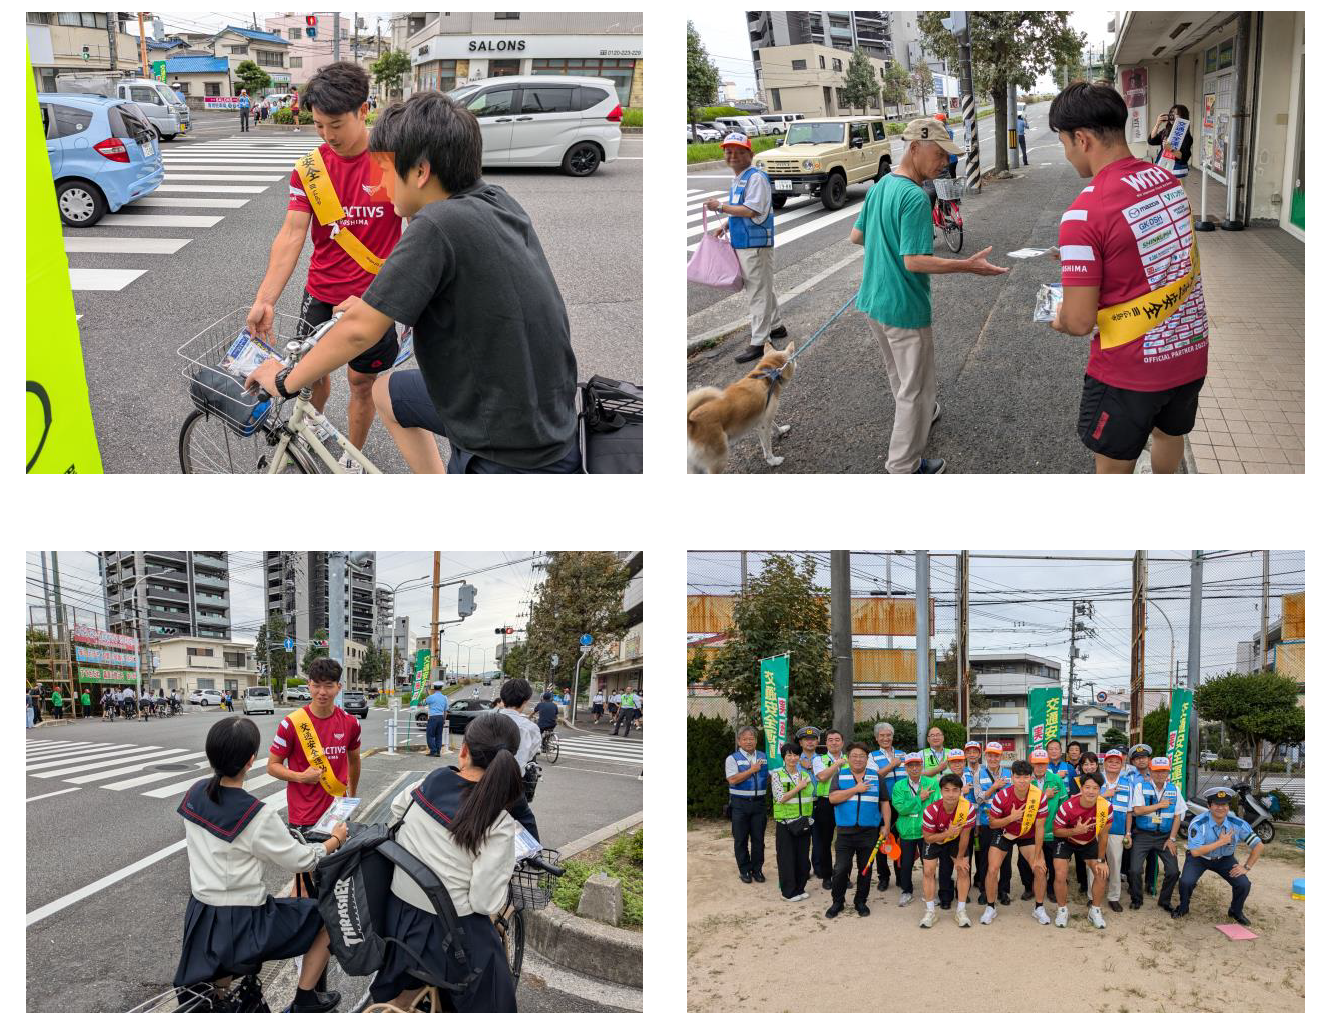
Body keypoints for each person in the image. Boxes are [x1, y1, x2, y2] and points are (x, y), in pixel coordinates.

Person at [247, 90, 582, 474]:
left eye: (387, 171)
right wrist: (375, 306)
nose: (383, 184)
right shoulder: (496, 200)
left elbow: (358, 333)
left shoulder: (437, 225)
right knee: (387, 392)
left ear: (420, 172)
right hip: (549, 407)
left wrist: (285, 380)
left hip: (504, 442)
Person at [244, 63, 404, 472]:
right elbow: (292, 234)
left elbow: (421, 231)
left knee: (361, 383)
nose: (328, 136)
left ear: (362, 109)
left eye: (336, 124)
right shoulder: (309, 170)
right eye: (318, 125)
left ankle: (352, 458)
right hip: (320, 292)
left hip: (374, 301)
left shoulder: (391, 161)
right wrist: (265, 300)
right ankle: (308, 439)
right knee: (309, 378)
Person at [1047, 81, 1209, 474]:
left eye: (1064, 143)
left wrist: (1059, 318)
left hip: (1129, 372)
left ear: (1081, 139)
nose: (1067, 154)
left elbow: (1081, 321)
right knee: (1170, 436)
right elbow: (1156, 250)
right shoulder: (1167, 181)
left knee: (1115, 469)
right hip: (1189, 353)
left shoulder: (1084, 214)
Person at [850, 117, 1009, 475]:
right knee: (916, 387)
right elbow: (915, 261)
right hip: (904, 306)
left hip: (874, 301)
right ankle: (904, 465)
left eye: (947, 157)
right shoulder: (914, 197)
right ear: (914, 148)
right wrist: (968, 266)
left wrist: (885, 245)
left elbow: (857, 237)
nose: (944, 163)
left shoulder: (880, 186)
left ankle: (924, 413)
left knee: (901, 376)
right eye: (939, 155)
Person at [174, 716, 345, 1012]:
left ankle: (221, 998)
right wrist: (335, 840)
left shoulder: (196, 792)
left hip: (201, 914)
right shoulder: (256, 814)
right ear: (251, 760)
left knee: (215, 989)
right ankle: (305, 999)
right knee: (329, 920)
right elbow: (300, 860)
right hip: (244, 922)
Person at [370, 712, 536, 1012]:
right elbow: (485, 902)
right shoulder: (498, 822)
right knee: (495, 1003)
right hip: (452, 939)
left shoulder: (426, 783)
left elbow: (396, 811)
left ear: (463, 751)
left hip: (398, 919)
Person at [265, 657, 361, 897]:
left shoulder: (350, 723)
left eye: (328, 685)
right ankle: (299, 929)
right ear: (308, 685)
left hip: (335, 814)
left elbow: (355, 760)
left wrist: (352, 797)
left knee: (335, 881)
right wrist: (300, 777)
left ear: (339, 687)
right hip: (303, 815)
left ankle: (324, 929)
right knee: (304, 882)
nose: (322, 692)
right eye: (316, 685)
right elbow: (272, 767)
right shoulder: (292, 724)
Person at [704, 132, 787, 364]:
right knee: (762, 287)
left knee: (757, 292)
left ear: (750, 154)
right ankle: (776, 326)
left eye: (739, 151)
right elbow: (744, 208)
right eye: (728, 151)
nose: (733, 156)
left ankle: (760, 341)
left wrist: (720, 207)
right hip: (745, 241)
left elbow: (752, 210)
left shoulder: (756, 177)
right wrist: (728, 225)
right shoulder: (741, 177)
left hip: (755, 243)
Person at [1174, 785, 1261, 925]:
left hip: (1224, 859)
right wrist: (1220, 842)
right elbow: (1195, 852)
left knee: (1244, 884)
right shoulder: (1199, 823)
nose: (1221, 808)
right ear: (1209, 806)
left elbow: (1258, 845)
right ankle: (1183, 907)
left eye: (1224, 804)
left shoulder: (1237, 823)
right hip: (1199, 859)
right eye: (1217, 804)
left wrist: (1246, 867)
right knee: (1186, 882)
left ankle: (1235, 911)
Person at [981, 759, 1049, 925]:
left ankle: (1039, 908)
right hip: (1005, 832)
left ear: (1031, 777)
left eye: (1026, 777)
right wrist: (1012, 817)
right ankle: (990, 907)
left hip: (1027, 834)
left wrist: (1038, 855)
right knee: (992, 869)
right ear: (1012, 777)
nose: (1022, 781)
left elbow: (1040, 827)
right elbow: (993, 823)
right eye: (1018, 777)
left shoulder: (1038, 796)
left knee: (1040, 869)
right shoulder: (1001, 796)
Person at [825, 742, 890, 919]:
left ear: (867, 759)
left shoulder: (877, 777)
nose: (858, 759)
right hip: (845, 831)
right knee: (840, 868)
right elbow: (832, 798)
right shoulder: (840, 776)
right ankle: (837, 902)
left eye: (862, 756)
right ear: (848, 758)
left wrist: (886, 825)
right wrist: (856, 789)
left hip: (869, 831)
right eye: (854, 755)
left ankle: (860, 901)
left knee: (866, 868)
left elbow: (884, 802)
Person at [1051, 771, 1111, 928]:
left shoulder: (1105, 807)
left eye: (1095, 788)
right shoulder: (1068, 806)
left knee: (1101, 872)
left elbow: (1104, 836)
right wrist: (1075, 831)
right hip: (1066, 839)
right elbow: (1056, 831)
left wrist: (1102, 860)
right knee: (1060, 873)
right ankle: (1062, 910)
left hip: (1089, 842)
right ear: (1081, 788)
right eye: (1087, 787)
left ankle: (1095, 911)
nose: (1091, 791)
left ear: (1100, 790)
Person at [1126, 755, 1184, 913]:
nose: (1160, 775)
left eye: (1163, 771)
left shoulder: (1174, 789)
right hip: (1143, 835)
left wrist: (1172, 839)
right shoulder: (1140, 787)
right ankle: (1136, 899)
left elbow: (1178, 815)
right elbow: (1137, 810)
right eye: (1157, 771)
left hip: (1164, 837)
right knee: (1135, 870)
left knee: (1173, 871)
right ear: (1150, 771)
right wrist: (1159, 805)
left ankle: (1164, 901)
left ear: (1168, 772)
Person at [920, 772, 976, 927]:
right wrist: (947, 833)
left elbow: (965, 836)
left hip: (956, 840)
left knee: (963, 869)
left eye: (955, 790)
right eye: (947, 790)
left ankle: (961, 911)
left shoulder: (968, 808)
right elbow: (928, 838)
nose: (951, 794)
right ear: (941, 791)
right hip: (935, 839)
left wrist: (959, 858)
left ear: (960, 791)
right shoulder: (930, 811)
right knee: (928, 871)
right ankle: (930, 912)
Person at [890, 752, 938, 907]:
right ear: (906, 768)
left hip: (926, 831)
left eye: (917, 764)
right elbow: (901, 808)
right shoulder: (899, 785)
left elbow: (935, 806)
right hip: (906, 832)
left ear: (922, 766)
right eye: (911, 765)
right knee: (906, 863)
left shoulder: (932, 783)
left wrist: (913, 804)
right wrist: (920, 798)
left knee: (928, 864)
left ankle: (930, 892)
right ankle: (906, 891)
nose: (915, 768)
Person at [770, 742, 815, 901]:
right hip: (786, 823)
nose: (793, 758)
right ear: (784, 757)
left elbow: (811, 797)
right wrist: (799, 787)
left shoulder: (806, 775)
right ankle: (788, 892)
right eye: (789, 755)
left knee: (802, 858)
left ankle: (800, 888)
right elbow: (780, 797)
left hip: (803, 822)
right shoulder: (777, 774)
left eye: (796, 755)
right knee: (786, 858)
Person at [1026, 747, 1070, 904]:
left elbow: (1064, 803)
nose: (1039, 767)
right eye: (1036, 763)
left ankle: (1051, 890)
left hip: (1052, 830)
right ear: (1032, 763)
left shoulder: (1056, 779)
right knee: (1027, 862)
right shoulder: (1027, 780)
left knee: (1052, 862)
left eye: (1043, 764)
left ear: (1047, 764)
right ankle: (1029, 888)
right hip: (1030, 831)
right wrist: (1045, 796)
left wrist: (1062, 824)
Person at [725, 726, 769, 884]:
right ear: (739, 741)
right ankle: (744, 870)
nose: (749, 741)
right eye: (745, 739)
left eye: (752, 739)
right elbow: (732, 779)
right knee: (740, 839)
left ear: (756, 741)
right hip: (739, 804)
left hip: (759, 805)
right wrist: (752, 770)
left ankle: (757, 870)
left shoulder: (764, 757)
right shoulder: (733, 758)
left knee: (758, 839)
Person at [866, 722, 906, 892]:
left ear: (892, 736)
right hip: (883, 803)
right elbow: (874, 777)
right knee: (882, 838)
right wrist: (892, 765)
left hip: (902, 804)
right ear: (876, 738)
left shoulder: (903, 755)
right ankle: (884, 877)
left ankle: (901, 875)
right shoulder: (872, 757)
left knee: (901, 840)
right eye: (881, 735)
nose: (885, 738)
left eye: (888, 735)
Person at [972, 741, 1013, 906]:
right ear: (986, 756)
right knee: (984, 858)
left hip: (1006, 824)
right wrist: (994, 787)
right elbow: (978, 798)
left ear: (1001, 756)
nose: (993, 758)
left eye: (996, 755)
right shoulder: (978, 774)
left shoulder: (1010, 774)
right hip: (986, 822)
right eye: (990, 755)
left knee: (1006, 858)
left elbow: (1014, 797)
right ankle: (984, 890)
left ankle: (1003, 890)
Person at [810, 729, 847, 886]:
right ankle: (827, 875)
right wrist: (837, 764)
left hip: (846, 802)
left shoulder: (850, 758)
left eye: (837, 739)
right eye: (830, 740)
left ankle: (843, 875)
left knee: (845, 841)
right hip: (825, 803)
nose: (834, 742)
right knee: (824, 841)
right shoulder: (819, 759)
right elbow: (822, 776)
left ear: (842, 742)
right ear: (826, 743)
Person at [1098, 748, 1132, 912]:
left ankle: (1113, 897)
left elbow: (1129, 811)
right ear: (1104, 763)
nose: (1113, 764)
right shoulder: (1096, 780)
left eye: (1117, 762)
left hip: (1117, 831)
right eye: (1110, 761)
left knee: (1115, 864)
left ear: (1122, 764)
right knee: (1095, 864)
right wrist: (1105, 794)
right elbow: (1085, 800)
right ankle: (1093, 896)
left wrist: (1128, 833)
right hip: (1095, 830)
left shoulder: (1127, 784)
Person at [494, 679, 542, 773]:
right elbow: (530, 755)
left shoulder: (486, 721)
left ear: (502, 699)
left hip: (485, 780)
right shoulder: (530, 728)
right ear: (526, 701)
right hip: (516, 779)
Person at [1147, 104, 1193, 178]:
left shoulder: (1186, 136)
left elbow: (1184, 157)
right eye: (1171, 113)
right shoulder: (1165, 131)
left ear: (1183, 116)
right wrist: (1157, 124)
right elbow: (1152, 141)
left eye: (1176, 114)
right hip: (1163, 169)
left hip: (1177, 172)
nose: (1172, 116)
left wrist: (1171, 149)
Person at [423, 680, 449, 757]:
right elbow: (446, 711)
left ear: (434, 688)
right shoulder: (445, 698)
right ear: (441, 688)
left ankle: (433, 751)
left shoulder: (431, 697)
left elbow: (424, 703)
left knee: (430, 735)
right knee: (438, 735)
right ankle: (438, 751)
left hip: (433, 718)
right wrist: (444, 720)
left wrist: (426, 696)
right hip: (441, 718)